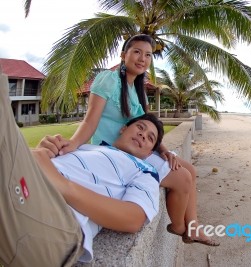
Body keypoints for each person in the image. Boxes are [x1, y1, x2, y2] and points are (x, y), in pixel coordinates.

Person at [52, 34, 218, 246]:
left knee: (190, 171)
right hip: (115, 151)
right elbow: (90, 121)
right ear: (124, 55)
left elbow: (148, 125)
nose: (142, 58)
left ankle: (193, 227)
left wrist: (163, 149)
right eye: (137, 52)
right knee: (182, 178)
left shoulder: (137, 89)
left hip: (138, 149)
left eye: (148, 55)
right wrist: (73, 144)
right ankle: (179, 227)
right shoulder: (108, 79)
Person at [0, 70, 165, 265]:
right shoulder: (88, 148)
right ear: (123, 128)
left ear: (148, 153)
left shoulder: (144, 172)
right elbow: (41, 160)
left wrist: (61, 184)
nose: (143, 135)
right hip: (26, 185)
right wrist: (41, 151)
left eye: (150, 138)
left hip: (54, 215)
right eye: (140, 127)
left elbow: (133, 218)